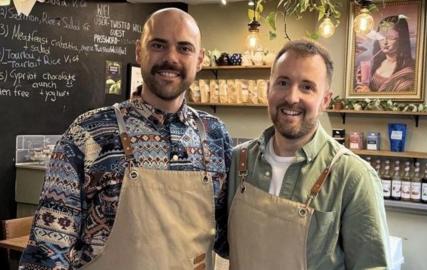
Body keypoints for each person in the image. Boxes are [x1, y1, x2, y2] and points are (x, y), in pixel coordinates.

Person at [19, 8, 232, 270]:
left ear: (200, 60)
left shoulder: (215, 136)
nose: (171, 57)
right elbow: (47, 250)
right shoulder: (89, 133)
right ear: (139, 51)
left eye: (184, 48)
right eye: (158, 44)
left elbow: (228, 238)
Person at [227, 40, 390, 269]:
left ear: (325, 100)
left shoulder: (352, 177)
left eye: (307, 87)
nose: (292, 97)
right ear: (268, 90)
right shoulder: (238, 161)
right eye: (283, 82)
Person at [355, 15, 415, 93]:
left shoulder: (407, 72)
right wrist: (362, 82)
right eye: (381, 37)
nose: (385, 42)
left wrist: (369, 94)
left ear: (401, 39)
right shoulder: (375, 63)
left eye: (391, 37)